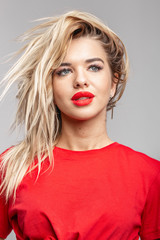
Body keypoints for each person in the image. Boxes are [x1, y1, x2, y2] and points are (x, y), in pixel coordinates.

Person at [0, 10, 160, 240]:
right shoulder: (12, 168)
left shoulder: (150, 175)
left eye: (94, 67)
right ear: (49, 85)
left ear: (114, 81)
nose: (80, 80)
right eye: (64, 70)